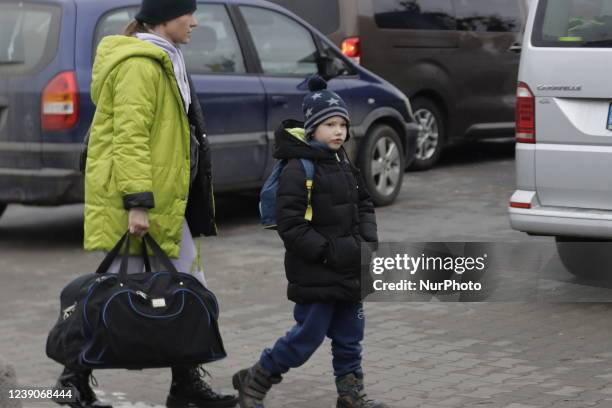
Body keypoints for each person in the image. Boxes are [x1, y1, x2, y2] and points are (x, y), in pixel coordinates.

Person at [52, 0, 237, 407]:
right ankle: (73, 379)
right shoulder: (140, 64)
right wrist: (138, 204)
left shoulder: (166, 59)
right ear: (165, 17)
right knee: (113, 294)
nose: (195, 21)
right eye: (188, 13)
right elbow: (130, 137)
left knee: (184, 289)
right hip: (138, 203)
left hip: (165, 201)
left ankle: (184, 383)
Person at [232, 76, 388, 408]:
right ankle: (257, 378)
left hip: (351, 266)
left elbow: (364, 203)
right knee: (308, 336)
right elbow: (290, 224)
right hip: (317, 270)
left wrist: (369, 242)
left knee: (350, 337)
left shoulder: (342, 160)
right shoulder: (298, 167)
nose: (338, 131)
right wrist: (328, 252)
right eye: (330, 124)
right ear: (312, 128)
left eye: (342, 124)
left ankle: (350, 396)